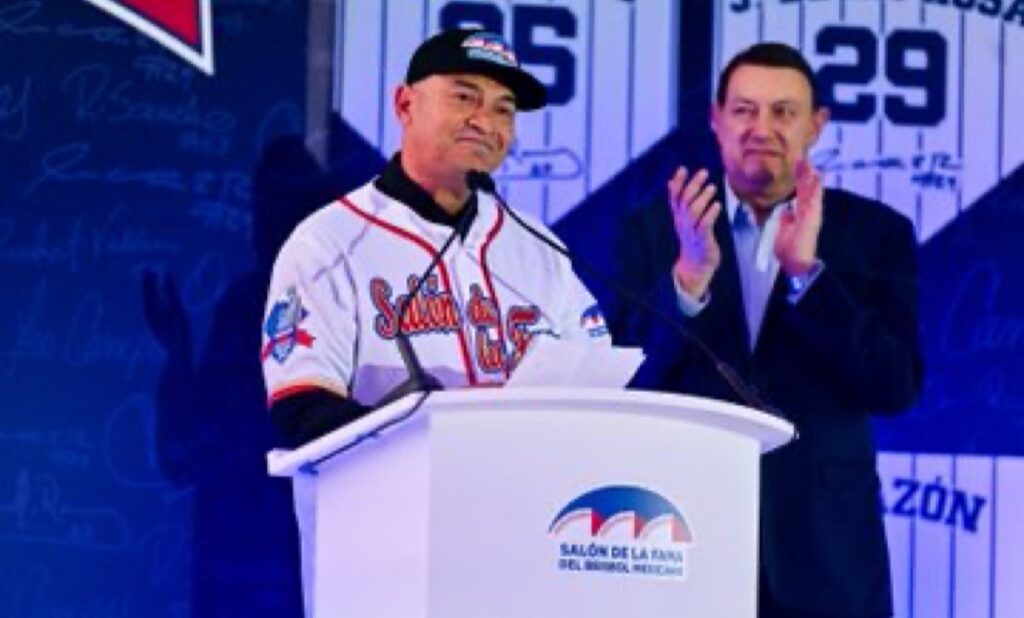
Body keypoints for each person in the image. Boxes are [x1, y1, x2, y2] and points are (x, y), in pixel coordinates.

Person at [260, 28, 609, 615]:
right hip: (382, 565)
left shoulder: (539, 248)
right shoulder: (329, 242)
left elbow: (598, 393)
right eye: (464, 96)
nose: (486, 121)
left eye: (504, 109)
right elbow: (303, 409)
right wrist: (446, 452)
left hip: (522, 561)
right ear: (405, 104)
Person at [613, 43, 923, 617]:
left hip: (827, 558)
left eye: (783, 112)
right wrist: (688, 281)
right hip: (681, 540)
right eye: (744, 110)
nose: (762, 128)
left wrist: (808, 277)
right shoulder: (654, 229)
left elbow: (894, 385)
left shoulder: (876, 234)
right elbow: (623, 383)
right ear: (716, 119)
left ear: (816, 125)